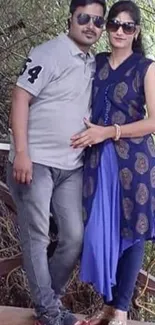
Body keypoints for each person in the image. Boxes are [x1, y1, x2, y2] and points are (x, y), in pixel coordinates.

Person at [7, 1, 106, 325]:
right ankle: (50, 312)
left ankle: (48, 299)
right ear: (70, 19)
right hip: (35, 163)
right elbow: (20, 97)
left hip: (71, 166)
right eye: (84, 18)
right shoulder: (48, 52)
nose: (91, 25)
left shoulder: (92, 63)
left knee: (74, 237)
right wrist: (22, 152)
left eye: (98, 21)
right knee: (36, 235)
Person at [71, 1, 155, 324]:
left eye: (127, 26)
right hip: (96, 161)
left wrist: (111, 131)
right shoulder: (97, 62)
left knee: (131, 231)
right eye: (114, 25)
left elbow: (153, 121)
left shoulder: (146, 67)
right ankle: (107, 302)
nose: (120, 31)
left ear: (136, 31)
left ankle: (119, 308)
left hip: (133, 163)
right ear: (107, 28)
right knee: (97, 233)